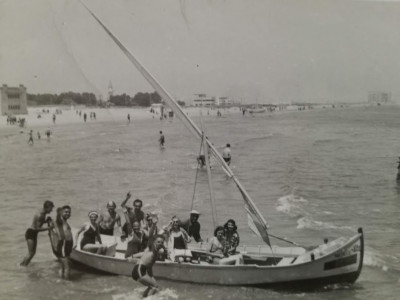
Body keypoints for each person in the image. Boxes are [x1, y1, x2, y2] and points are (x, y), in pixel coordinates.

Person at [20, 200, 55, 266]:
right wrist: (49, 228)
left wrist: (46, 221)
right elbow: (37, 228)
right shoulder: (41, 215)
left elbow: (39, 222)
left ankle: (22, 265)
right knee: (31, 253)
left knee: (32, 253)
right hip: (31, 233)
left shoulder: (42, 213)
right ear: (47, 207)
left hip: (33, 233)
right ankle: (23, 267)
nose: (51, 210)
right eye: (51, 208)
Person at [51, 206, 73, 279]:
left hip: (64, 246)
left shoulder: (64, 221)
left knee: (62, 266)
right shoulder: (59, 221)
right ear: (61, 213)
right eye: (66, 212)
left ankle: (62, 283)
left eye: (69, 212)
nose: (68, 213)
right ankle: (67, 285)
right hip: (63, 246)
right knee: (67, 267)